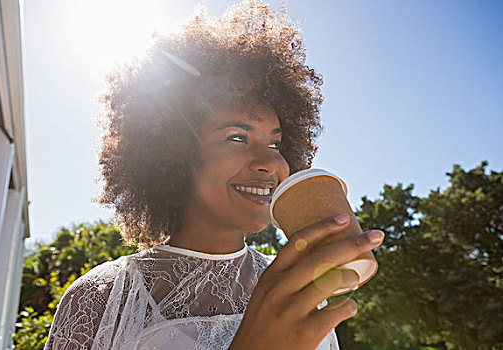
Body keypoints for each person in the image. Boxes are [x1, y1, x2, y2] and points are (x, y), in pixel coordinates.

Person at [44, 1, 383, 349]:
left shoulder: (299, 287)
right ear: (176, 151)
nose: (269, 163)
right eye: (237, 137)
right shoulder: (101, 298)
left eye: (276, 143)